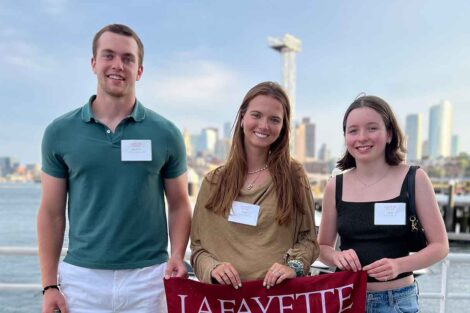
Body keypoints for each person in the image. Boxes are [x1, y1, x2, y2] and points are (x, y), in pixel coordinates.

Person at [37, 24, 192, 313]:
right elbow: (51, 213)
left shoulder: (166, 133)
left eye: (128, 58)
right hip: (82, 280)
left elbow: (180, 204)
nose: (117, 65)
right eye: (108, 56)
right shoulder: (59, 132)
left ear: (140, 70)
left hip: (149, 279)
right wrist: (49, 285)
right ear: (94, 63)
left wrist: (178, 255)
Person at [318, 95, 449, 312]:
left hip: (396, 301)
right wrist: (336, 256)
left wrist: (399, 265)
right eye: (353, 130)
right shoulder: (335, 185)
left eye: (372, 128)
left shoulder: (414, 178)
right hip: (347, 299)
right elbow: (322, 247)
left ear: (389, 133)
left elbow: (440, 246)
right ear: (345, 137)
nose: (362, 137)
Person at [190, 81, 319, 290]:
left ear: (283, 127)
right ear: (242, 118)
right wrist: (212, 268)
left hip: (276, 300)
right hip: (225, 301)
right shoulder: (212, 182)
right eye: (256, 115)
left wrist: (293, 267)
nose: (264, 125)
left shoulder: (294, 176)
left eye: (274, 119)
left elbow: (308, 239)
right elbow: (198, 248)